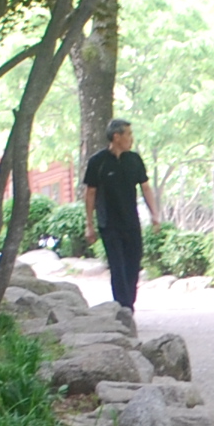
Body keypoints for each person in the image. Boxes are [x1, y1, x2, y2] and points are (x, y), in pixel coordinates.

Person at [81, 118, 159, 312]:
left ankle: (128, 303)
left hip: (131, 221)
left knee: (133, 265)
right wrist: (89, 224)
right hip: (108, 223)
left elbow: (146, 188)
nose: (131, 139)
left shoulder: (134, 160)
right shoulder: (98, 162)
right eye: (128, 134)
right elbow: (90, 193)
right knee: (117, 266)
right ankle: (124, 307)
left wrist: (154, 214)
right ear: (117, 137)